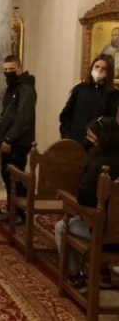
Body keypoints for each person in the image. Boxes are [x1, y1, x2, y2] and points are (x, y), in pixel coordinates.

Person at [54, 117, 119, 288]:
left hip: (104, 233)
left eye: (91, 137)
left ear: (102, 139)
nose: (88, 141)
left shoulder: (98, 162)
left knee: (62, 227)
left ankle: (75, 276)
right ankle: (104, 274)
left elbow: (85, 199)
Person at [0, 55, 37, 225]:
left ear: (19, 68)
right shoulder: (12, 88)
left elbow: (23, 118)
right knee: (7, 175)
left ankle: (20, 213)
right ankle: (11, 206)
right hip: (8, 139)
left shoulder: (26, 89)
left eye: (11, 69)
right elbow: (7, 114)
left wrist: (9, 139)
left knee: (15, 178)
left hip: (18, 142)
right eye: (5, 70)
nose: (8, 72)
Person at [59, 54, 118, 148]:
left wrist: (100, 140)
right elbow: (66, 115)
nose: (99, 70)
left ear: (109, 72)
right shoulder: (79, 88)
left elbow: (111, 121)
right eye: (97, 66)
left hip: (97, 145)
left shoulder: (113, 93)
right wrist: (66, 135)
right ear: (92, 67)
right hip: (74, 141)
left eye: (104, 68)